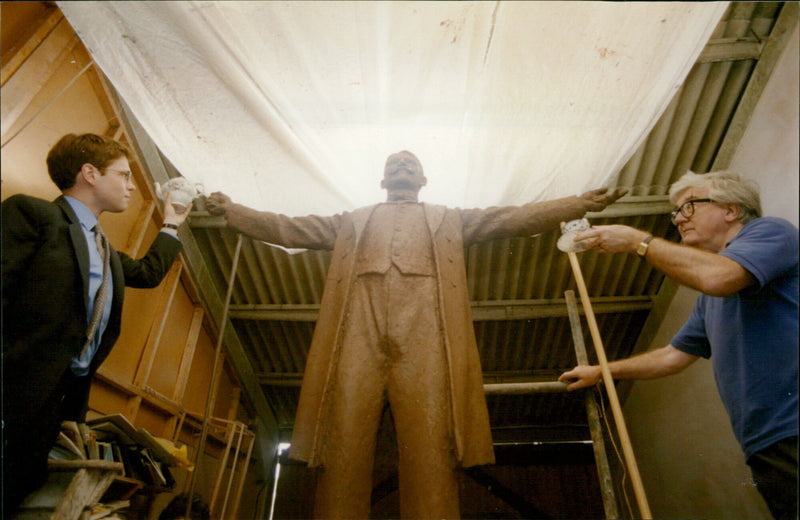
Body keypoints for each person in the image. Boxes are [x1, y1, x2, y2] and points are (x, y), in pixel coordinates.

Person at [206, 150, 625, 519]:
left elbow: (511, 219)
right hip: (358, 329)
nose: (403, 164)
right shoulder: (351, 221)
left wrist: (575, 202)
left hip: (425, 330)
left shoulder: (449, 219)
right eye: (394, 163)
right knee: (341, 438)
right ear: (383, 181)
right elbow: (289, 228)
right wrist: (234, 211)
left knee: (432, 443)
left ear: (423, 180)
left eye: (411, 163)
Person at [558, 170, 798, 520]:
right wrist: (603, 372)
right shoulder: (710, 298)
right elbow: (673, 356)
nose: (679, 219)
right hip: (765, 442)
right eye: (676, 213)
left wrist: (639, 243)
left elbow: (718, 277)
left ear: (731, 209)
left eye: (689, 207)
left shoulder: (769, 232)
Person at [1, 133, 191, 514]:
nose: (132, 185)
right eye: (123, 175)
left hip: (56, 404)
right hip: (12, 386)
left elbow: (149, 273)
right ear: (90, 173)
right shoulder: (34, 216)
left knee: (14, 492)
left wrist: (171, 223)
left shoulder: (105, 253)